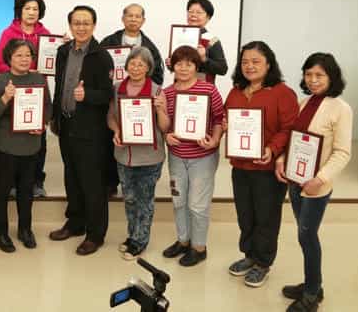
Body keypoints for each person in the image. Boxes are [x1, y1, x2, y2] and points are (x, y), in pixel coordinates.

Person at [275, 53, 352, 312]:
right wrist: (282, 159)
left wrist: (320, 179)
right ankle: (313, 285)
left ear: (332, 77)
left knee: (307, 236)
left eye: (319, 75)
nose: (313, 79)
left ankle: (311, 295)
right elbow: (293, 139)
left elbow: (342, 152)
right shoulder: (303, 102)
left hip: (316, 187)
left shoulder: (341, 109)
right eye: (308, 74)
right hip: (296, 181)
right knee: (304, 233)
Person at [225, 41, 299, 288]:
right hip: (240, 166)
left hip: (267, 169)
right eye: (245, 62)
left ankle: (263, 263)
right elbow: (227, 117)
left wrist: (272, 148)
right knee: (245, 215)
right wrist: (226, 124)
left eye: (256, 61)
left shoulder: (282, 93)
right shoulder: (236, 91)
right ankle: (249, 255)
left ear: (269, 64)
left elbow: (290, 128)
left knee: (266, 217)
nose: (249, 66)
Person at [49, 5, 113, 256]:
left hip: (91, 130)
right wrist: (54, 116)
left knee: (92, 182)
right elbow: (59, 86)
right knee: (72, 177)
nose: (81, 27)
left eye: (86, 23)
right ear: (70, 25)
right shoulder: (63, 51)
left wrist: (88, 96)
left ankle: (95, 234)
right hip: (66, 124)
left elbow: (108, 94)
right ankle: (75, 223)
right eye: (77, 23)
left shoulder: (101, 56)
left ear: (94, 26)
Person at [0, 39, 52, 253]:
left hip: (31, 145)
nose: (24, 59)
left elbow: (47, 107)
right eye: (19, 55)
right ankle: (0, 232)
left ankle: (25, 229)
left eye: (27, 55)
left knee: (26, 190)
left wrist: (42, 124)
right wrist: (6, 98)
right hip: (6, 146)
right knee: (2, 190)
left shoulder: (39, 79)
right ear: (9, 58)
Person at [160, 46, 224, 267]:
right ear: (173, 66)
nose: (184, 68)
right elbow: (164, 125)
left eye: (189, 64)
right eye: (179, 63)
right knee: (178, 201)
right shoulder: (167, 92)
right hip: (177, 156)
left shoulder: (209, 90)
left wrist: (215, 140)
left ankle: (199, 247)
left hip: (203, 157)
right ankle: (183, 241)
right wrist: (166, 136)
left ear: (197, 66)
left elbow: (219, 118)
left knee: (197, 204)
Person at [106, 47, 168, 261]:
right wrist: (116, 131)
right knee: (129, 199)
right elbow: (111, 116)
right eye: (132, 63)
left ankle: (140, 241)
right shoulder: (117, 88)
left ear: (148, 68)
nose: (136, 67)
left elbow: (165, 126)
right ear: (126, 65)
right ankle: (132, 235)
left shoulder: (157, 91)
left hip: (150, 157)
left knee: (144, 201)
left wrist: (160, 109)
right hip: (124, 155)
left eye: (141, 64)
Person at [0, 0, 55, 198]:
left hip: (37, 89)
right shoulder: (8, 33)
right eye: (27, 8)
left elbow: (52, 64)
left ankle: (36, 181)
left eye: (35, 9)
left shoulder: (46, 34)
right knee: (15, 134)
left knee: (38, 135)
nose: (31, 12)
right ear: (20, 11)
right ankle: (12, 182)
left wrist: (61, 47)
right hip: (14, 89)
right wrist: (21, 70)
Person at [101, 3, 165, 196]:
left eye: (138, 16)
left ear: (143, 20)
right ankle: (111, 182)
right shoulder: (109, 41)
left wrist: (144, 95)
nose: (133, 19)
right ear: (123, 18)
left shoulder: (150, 46)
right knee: (114, 141)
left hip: (141, 105)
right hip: (115, 97)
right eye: (130, 15)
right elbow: (98, 66)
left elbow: (158, 74)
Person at [166, 0, 228, 84]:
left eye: (199, 12)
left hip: (202, 88)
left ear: (208, 17)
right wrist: (171, 63)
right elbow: (175, 67)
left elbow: (222, 69)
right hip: (180, 86)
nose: (193, 15)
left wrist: (204, 59)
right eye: (190, 12)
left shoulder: (212, 40)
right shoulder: (179, 35)